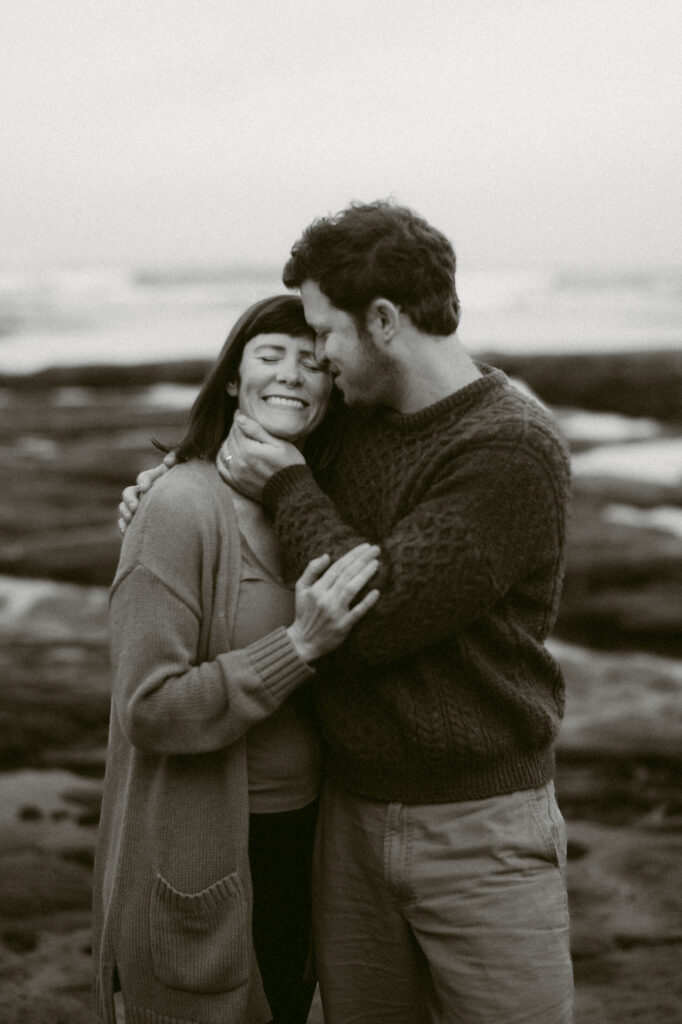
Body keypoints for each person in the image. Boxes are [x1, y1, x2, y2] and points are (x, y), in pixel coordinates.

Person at [121, 201, 575, 1023]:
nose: (318, 357)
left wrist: (288, 484)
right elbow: (251, 476)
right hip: (346, 817)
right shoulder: (353, 428)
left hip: (479, 828)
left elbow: (380, 613)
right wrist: (172, 487)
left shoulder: (510, 448)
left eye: (326, 334)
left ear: (385, 321)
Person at [93, 294, 380, 1024]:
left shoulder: (320, 503)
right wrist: (298, 647)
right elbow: (148, 708)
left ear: (332, 386)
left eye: (313, 361)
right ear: (232, 378)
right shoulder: (178, 508)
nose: (292, 374)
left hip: (307, 837)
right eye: (270, 355)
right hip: (206, 845)